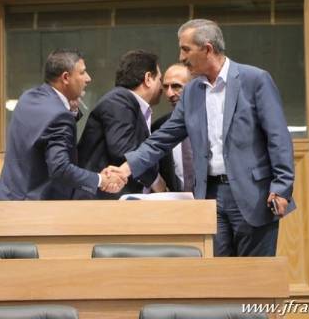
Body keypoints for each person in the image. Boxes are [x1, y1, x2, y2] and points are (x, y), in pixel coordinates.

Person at [112, 19, 295, 257]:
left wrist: (282, 186)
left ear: (207, 49)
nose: (181, 57)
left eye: (186, 49)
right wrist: (126, 168)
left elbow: (278, 137)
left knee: (255, 274)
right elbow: (163, 138)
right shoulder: (191, 91)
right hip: (210, 197)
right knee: (216, 273)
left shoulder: (255, 80)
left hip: (255, 195)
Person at [0, 48, 125, 200]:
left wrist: (70, 109)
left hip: (7, 198)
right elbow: (60, 168)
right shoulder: (59, 116)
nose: (88, 78)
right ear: (66, 77)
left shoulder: (28, 97)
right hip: (33, 208)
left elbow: (44, 131)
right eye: (82, 72)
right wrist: (100, 180)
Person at [75, 49, 164, 199]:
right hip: (104, 202)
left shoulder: (128, 103)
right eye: (160, 80)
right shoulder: (119, 100)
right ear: (148, 78)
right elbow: (123, 150)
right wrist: (156, 181)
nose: (162, 88)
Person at [151, 63, 194, 192]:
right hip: (175, 201)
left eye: (176, 86)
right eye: (165, 87)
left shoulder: (212, 122)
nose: (169, 93)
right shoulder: (158, 127)